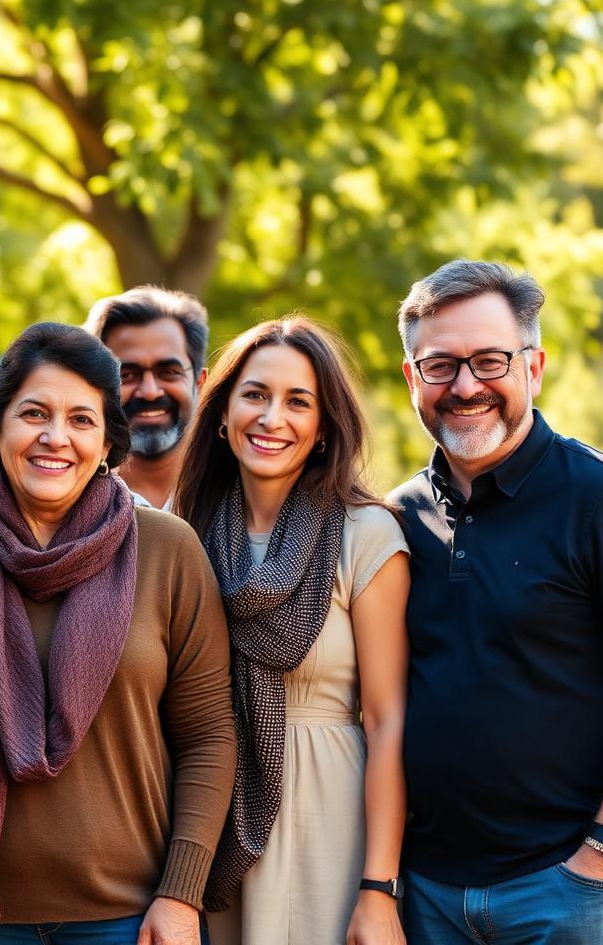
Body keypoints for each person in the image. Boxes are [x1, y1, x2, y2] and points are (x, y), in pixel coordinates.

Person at [0, 322, 237, 945]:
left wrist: (181, 894)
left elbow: (208, 737)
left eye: (82, 419)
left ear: (109, 439)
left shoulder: (169, 552)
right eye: (33, 413)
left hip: (127, 918)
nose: (55, 437)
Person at [389, 260, 603, 944]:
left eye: (490, 361)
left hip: (568, 891)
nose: (466, 385)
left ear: (533, 368)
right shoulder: (396, 518)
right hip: (427, 895)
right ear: (413, 378)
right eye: (440, 365)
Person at [169, 317, 410, 945]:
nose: (272, 417)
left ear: (325, 426)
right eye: (255, 395)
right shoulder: (181, 534)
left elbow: (388, 723)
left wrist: (378, 890)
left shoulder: (367, 535)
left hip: (329, 815)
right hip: (207, 818)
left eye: (298, 401)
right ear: (222, 414)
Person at [85, 286, 209, 509]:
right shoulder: (71, 496)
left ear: (200, 383)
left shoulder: (237, 491)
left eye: (168, 372)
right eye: (127, 375)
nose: (150, 391)